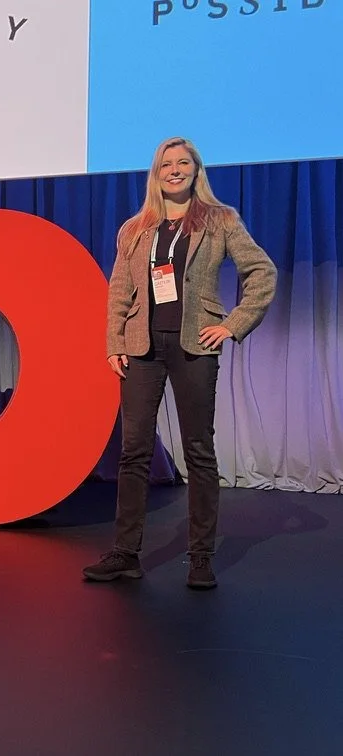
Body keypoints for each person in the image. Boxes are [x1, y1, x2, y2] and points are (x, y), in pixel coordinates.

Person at [83, 136, 277, 589]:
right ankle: (125, 554)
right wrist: (115, 341)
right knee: (134, 452)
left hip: (194, 346)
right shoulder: (136, 228)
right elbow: (119, 289)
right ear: (156, 173)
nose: (174, 170)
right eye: (166, 164)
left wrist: (233, 323)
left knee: (198, 450)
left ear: (195, 170)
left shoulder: (220, 219)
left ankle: (202, 557)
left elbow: (261, 271)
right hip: (141, 347)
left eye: (182, 162)